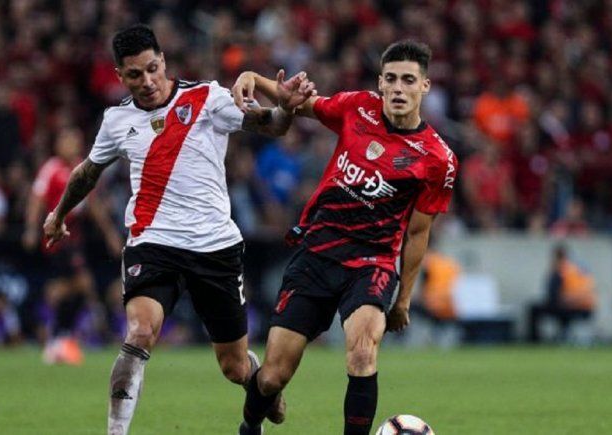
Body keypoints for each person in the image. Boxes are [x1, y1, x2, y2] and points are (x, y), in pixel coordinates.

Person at [41, 24, 314, 435]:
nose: (147, 81)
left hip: (215, 247)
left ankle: (256, 382)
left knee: (234, 366)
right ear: (120, 76)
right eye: (135, 75)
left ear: (163, 61)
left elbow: (271, 124)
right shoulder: (117, 120)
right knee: (140, 331)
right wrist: (59, 214)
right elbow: (87, 173)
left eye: (152, 68)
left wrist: (287, 108)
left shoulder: (207, 99)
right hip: (153, 244)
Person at [232, 40, 458, 435]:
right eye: (391, 79)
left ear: (425, 86)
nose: (398, 88)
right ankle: (250, 426)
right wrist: (255, 78)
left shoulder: (437, 158)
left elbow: (419, 232)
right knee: (271, 378)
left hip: (371, 263)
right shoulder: (357, 108)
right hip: (317, 254)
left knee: (361, 354)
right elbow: (300, 103)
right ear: (380, 83)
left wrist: (403, 299)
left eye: (408, 80)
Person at [24, 127, 121, 363]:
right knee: (84, 283)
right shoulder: (51, 169)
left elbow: (94, 205)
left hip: (76, 236)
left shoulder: (82, 167)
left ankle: (58, 337)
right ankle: (57, 331)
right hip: (58, 236)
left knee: (72, 287)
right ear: (58, 145)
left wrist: (110, 233)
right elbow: (36, 200)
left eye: (76, 141)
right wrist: (29, 229)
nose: (73, 145)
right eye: (68, 141)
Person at [527, 245, 597, 343]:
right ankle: (563, 334)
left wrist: (565, 299)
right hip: (586, 307)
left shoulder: (561, 269)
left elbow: (553, 293)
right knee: (554, 308)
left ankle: (535, 341)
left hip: (572, 306)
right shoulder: (580, 268)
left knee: (535, 309)